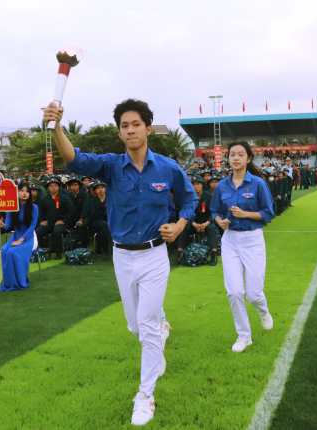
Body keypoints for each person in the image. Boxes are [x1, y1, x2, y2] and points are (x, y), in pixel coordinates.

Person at [44, 98, 197, 426]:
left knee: (145, 324)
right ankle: (161, 325)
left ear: (148, 128)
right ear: (119, 133)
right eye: (124, 126)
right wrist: (57, 126)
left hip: (155, 255)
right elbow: (74, 159)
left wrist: (181, 225)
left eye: (136, 124)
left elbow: (189, 199)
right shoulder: (111, 165)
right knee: (136, 326)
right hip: (123, 257)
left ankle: (145, 395)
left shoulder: (168, 167)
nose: (130, 130)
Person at [210, 141, 275, 353]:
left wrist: (245, 214)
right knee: (235, 291)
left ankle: (263, 311)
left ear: (248, 159)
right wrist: (220, 222)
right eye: (232, 155)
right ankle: (244, 335)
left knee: (254, 294)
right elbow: (215, 211)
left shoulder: (257, 184)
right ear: (228, 158)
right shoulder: (222, 186)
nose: (235, 158)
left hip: (252, 239)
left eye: (240, 155)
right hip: (230, 240)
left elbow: (268, 213)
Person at [0, 182, 40, 290]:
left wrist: (20, 241)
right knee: (4, 251)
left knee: (12, 252)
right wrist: (2, 225)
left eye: (27, 191)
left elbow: (32, 227)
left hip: (29, 237)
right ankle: (8, 281)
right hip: (15, 236)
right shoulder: (12, 207)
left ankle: (20, 281)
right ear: (17, 192)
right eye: (22, 191)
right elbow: (8, 225)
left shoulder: (34, 208)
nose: (25, 193)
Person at [176, 175, 218, 266]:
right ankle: (180, 253)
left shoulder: (209, 196)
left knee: (211, 228)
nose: (196, 186)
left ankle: (214, 254)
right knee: (184, 228)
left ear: (202, 185)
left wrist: (206, 223)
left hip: (206, 222)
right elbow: (185, 211)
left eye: (198, 184)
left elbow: (213, 212)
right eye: (193, 184)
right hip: (192, 222)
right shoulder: (188, 197)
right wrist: (193, 223)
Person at [36, 177, 73, 260]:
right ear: (48, 188)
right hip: (49, 222)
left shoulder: (64, 197)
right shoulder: (44, 199)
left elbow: (71, 211)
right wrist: (42, 221)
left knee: (57, 232)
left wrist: (63, 220)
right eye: (51, 186)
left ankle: (58, 252)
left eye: (55, 185)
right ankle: (44, 250)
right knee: (38, 231)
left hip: (61, 222)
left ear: (58, 187)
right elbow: (40, 211)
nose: (53, 187)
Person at [88, 180, 112, 259]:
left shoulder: (110, 199)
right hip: (96, 222)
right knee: (103, 224)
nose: (100, 189)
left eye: (102, 187)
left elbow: (112, 212)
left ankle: (105, 251)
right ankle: (111, 244)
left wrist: (102, 213)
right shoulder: (92, 201)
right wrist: (105, 213)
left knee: (102, 231)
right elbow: (94, 214)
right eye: (98, 188)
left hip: (109, 222)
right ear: (95, 190)